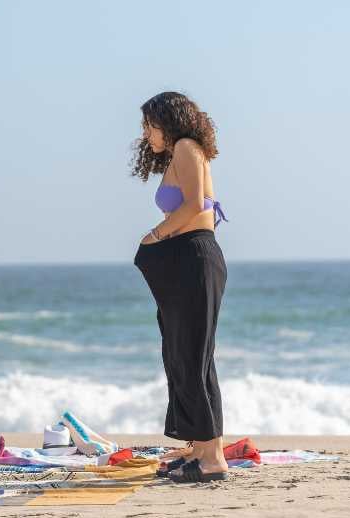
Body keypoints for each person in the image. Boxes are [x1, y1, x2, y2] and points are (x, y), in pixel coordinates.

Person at [132, 92, 230, 483]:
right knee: (183, 356)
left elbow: (197, 207)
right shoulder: (182, 153)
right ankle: (200, 446)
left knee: (191, 357)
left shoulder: (188, 147)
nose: (145, 134)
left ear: (168, 121)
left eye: (149, 125)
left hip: (193, 259)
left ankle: (212, 460)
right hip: (187, 260)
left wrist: (155, 235)